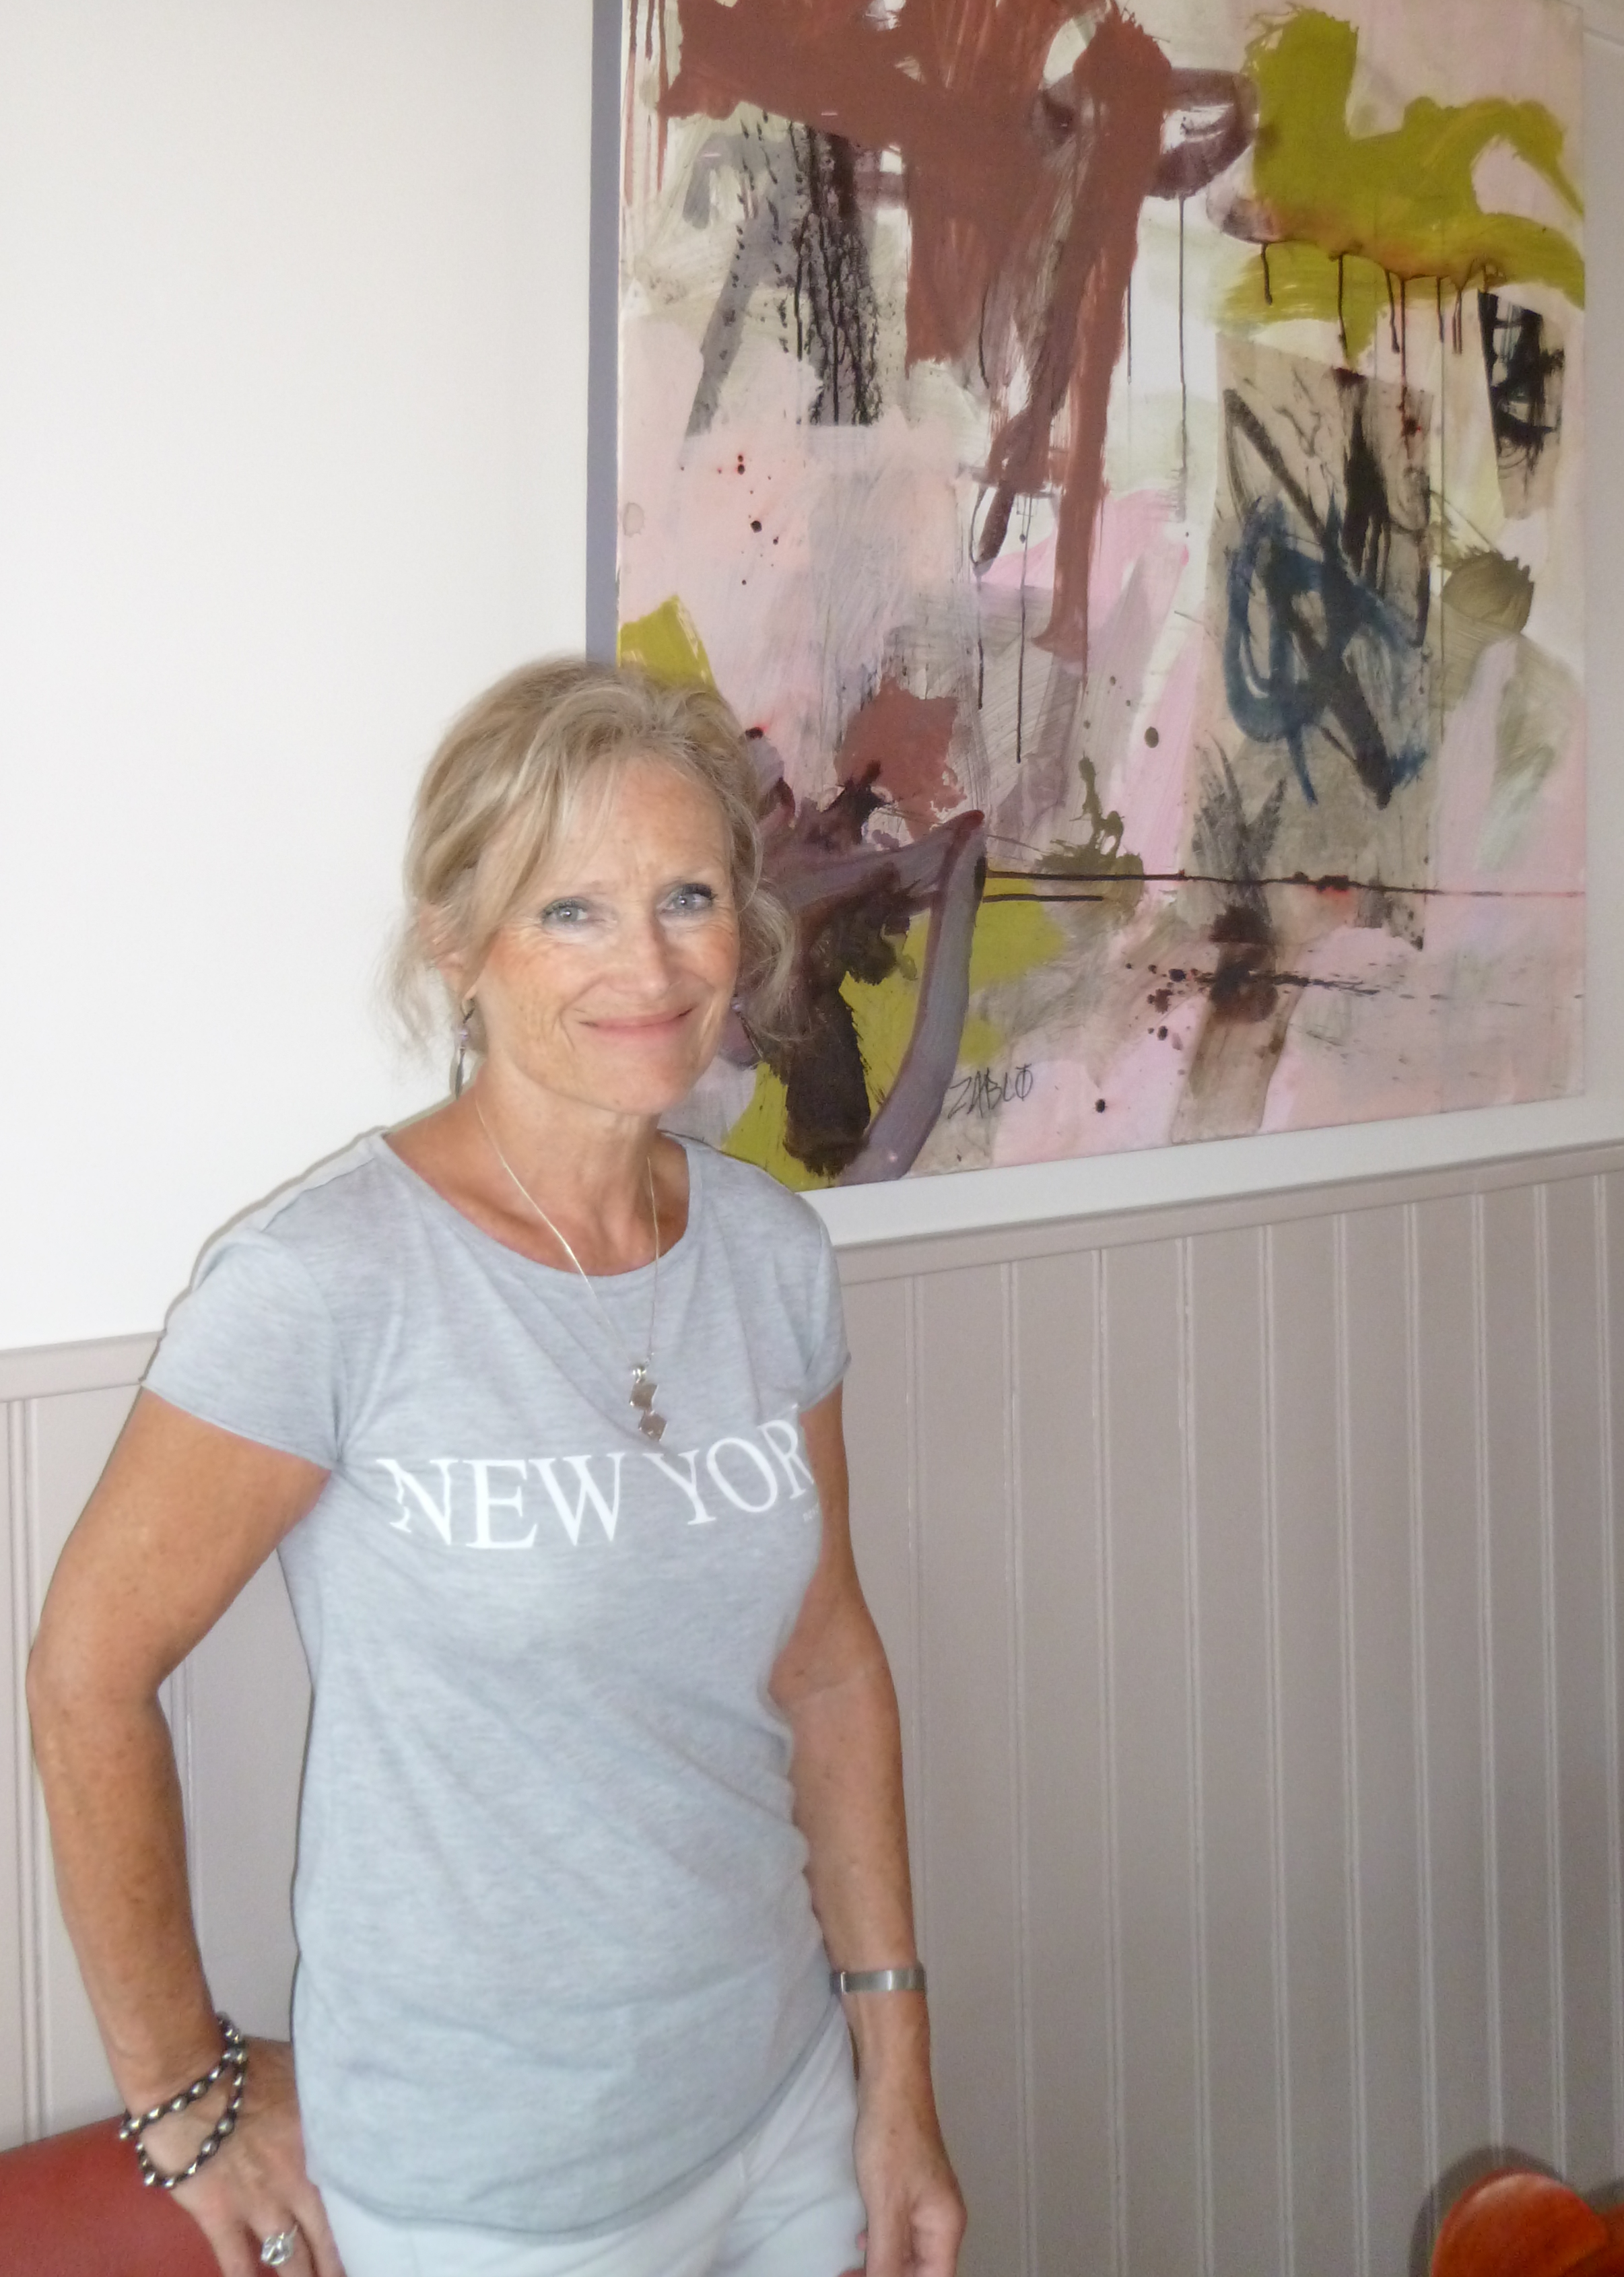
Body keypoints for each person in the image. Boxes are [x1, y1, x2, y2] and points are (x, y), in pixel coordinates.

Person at [28, 658, 966, 2277]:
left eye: (687, 897)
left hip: (785, 2106)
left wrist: (894, 2067)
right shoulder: (326, 1281)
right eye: (571, 911)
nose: (648, 965)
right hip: (496, 2197)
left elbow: (824, 1668)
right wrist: (180, 2095)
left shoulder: (768, 1255)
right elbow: (85, 1675)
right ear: (459, 947)